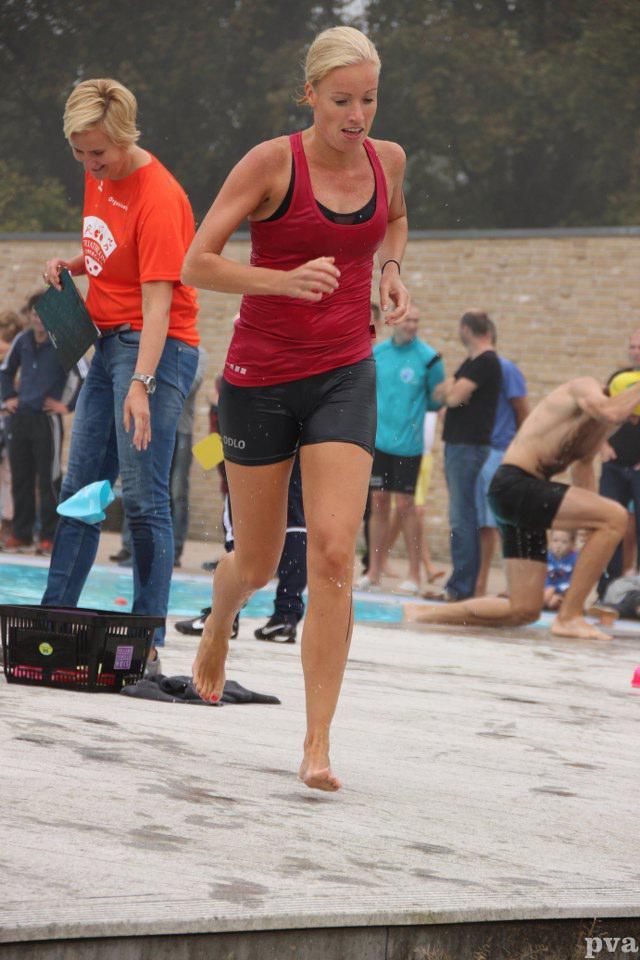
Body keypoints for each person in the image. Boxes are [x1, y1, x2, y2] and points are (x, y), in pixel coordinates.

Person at [182, 26, 409, 791]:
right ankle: (218, 626)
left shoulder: (390, 161)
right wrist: (281, 281)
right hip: (260, 376)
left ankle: (317, 744)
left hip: (346, 369)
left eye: (369, 99)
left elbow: (397, 218)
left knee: (335, 553)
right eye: (342, 100)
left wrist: (390, 269)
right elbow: (197, 262)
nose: (358, 115)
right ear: (309, 93)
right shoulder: (271, 162)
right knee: (253, 559)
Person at [40, 78, 199, 666]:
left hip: (157, 347)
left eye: (98, 154)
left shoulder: (160, 197)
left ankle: (146, 645)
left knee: (142, 498)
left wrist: (142, 384)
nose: (89, 165)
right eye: (79, 153)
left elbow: (159, 303)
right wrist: (73, 264)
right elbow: (111, 251)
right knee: (80, 491)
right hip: (105, 345)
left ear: (125, 135)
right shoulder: (97, 171)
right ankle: (50, 627)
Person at [405, 375, 638, 640]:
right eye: (633, 411)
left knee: (523, 610)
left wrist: (588, 521)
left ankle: (420, 612)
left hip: (518, 494)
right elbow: (613, 411)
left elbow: (583, 466)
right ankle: (570, 617)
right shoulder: (585, 387)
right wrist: (600, 517)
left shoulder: (601, 424)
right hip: (515, 485)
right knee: (616, 517)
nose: (633, 420)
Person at [359, 304, 444, 593]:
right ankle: (373, 571)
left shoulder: (429, 359)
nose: (413, 326)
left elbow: (435, 401)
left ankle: (414, 574)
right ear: (394, 321)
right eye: (408, 321)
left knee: (407, 506)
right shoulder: (377, 354)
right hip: (379, 441)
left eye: (417, 321)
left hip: (409, 444)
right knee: (378, 501)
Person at [176, 456, 307, 642]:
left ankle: (226, 618)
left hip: (260, 435)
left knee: (240, 510)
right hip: (302, 440)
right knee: (294, 515)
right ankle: (286, 616)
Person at [0, 292, 85, 554]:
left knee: (49, 479)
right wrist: (8, 399)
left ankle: (48, 536)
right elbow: (5, 370)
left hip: (47, 421)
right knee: (21, 477)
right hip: (21, 418)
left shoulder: (63, 341)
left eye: (42, 313)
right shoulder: (22, 340)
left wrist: (66, 406)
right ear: (29, 315)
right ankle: (21, 534)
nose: (38, 318)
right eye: (34, 313)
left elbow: (84, 375)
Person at [434, 310, 502, 601]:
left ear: (467, 329)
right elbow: (442, 393)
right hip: (459, 446)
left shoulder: (486, 362)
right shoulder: (472, 363)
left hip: (469, 447)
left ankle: (461, 587)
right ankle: (460, 583)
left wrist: (453, 389)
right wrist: (452, 389)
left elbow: (451, 397)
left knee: (463, 517)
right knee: (461, 516)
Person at [474, 321, 529, 596]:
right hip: (481, 452)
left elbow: (522, 410)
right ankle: (480, 584)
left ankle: (512, 585)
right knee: (483, 523)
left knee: (502, 522)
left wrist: (520, 451)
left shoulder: (507, 369)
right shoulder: (478, 368)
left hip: (501, 452)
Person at [596, 329, 640, 598]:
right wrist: (601, 444)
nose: (635, 351)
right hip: (614, 466)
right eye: (632, 346)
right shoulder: (618, 379)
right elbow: (598, 413)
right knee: (609, 527)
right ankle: (607, 592)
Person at [0, 310, 23, 541]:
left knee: (9, 475)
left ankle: (8, 523)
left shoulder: (16, 355)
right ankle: (7, 522)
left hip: (9, 422)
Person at [543, 530, 578, 610]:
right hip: (547, 589)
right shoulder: (547, 556)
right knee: (545, 597)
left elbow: (577, 580)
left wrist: (561, 592)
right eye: (555, 541)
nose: (558, 545)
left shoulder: (575, 559)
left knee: (552, 603)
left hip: (564, 591)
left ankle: (563, 603)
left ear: (572, 544)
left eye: (564, 542)